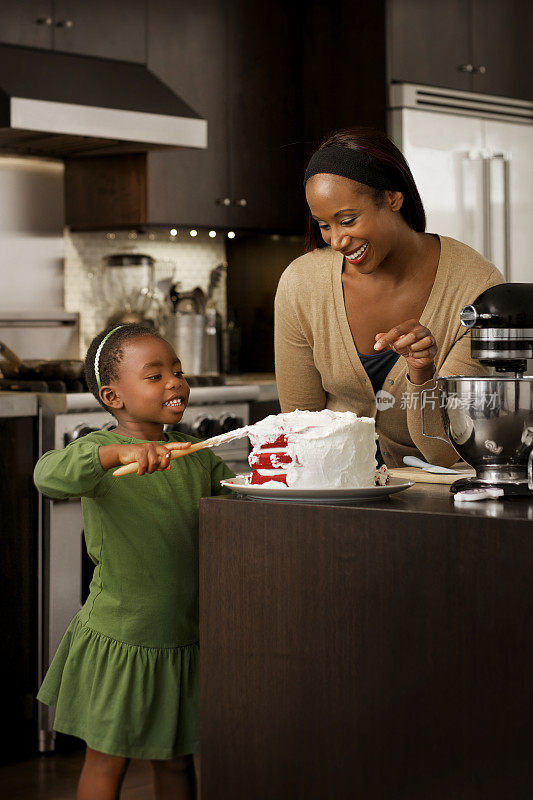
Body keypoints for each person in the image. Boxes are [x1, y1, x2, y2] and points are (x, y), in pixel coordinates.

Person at [34, 324, 234, 800]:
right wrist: (113, 453)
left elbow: (236, 511)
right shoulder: (97, 454)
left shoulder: (195, 455)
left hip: (181, 641)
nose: (175, 382)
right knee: (108, 761)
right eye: (155, 375)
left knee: (177, 761)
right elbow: (47, 476)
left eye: (178, 371)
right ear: (112, 395)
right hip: (122, 640)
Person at [274, 128, 505, 468]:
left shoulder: (475, 286)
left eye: (348, 220)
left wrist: (422, 374)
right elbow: (300, 427)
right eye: (324, 225)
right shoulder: (302, 284)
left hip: (432, 501)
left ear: (393, 199)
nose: (337, 240)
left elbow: (446, 450)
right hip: (333, 496)